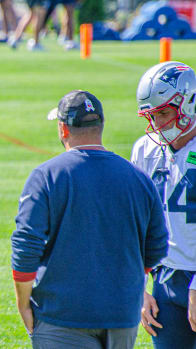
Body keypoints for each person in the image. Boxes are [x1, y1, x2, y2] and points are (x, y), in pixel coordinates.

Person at [11, 90, 168, 348]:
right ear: (101, 126)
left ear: (63, 129)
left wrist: (23, 303)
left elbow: (26, 245)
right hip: (121, 315)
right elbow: (157, 244)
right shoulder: (138, 178)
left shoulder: (45, 177)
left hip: (62, 317)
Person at [132, 61, 196, 349]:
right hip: (165, 278)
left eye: (163, 113)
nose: (157, 125)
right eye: (151, 116)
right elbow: (135, 222)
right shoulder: (145, 150)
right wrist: (139, 287)